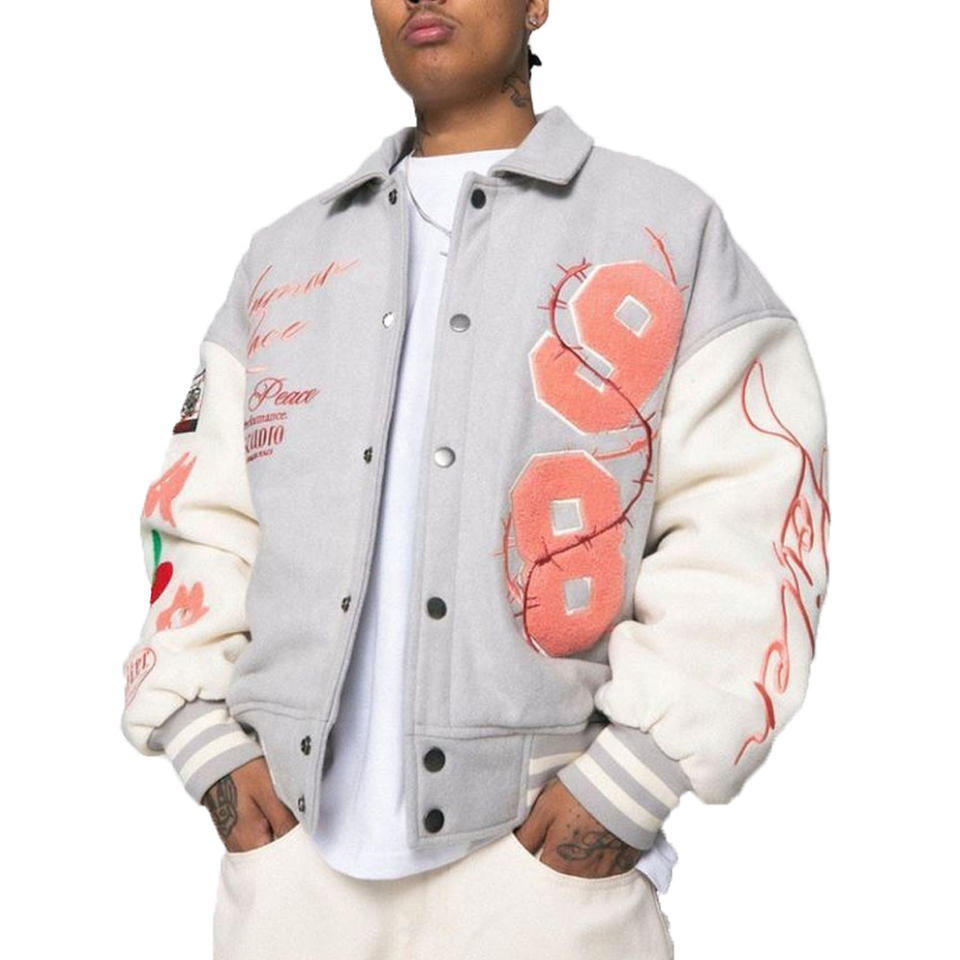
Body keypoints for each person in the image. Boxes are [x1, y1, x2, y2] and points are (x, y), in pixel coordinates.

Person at [121, 1, 831, 957]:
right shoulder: (286, 256)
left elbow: (754, 513)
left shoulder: (666, 227)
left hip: (542, 878)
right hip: (291, 880)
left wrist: (634, 781)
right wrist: (206, 745)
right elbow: (201, 517)